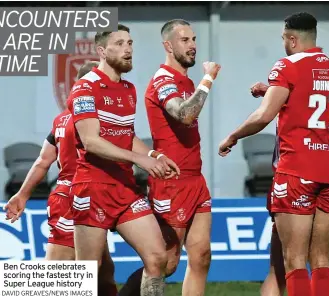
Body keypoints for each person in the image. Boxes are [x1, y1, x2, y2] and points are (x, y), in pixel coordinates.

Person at [219, 12, 329, 296]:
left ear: (291, 39)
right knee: (322, 261)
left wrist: (233, 135)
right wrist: (271, 90)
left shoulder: (287, 66)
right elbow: (313, 103)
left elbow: (264, 116)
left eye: (283, 39)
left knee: (293, 262)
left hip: (297, 170)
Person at [66, 24, 180, 296]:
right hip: (92, 189)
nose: (128, 48)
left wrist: (153, 154)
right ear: (102, 51)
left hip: (125, 188)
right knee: (89, 278)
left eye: (130, 43)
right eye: (120, 43)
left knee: (158, 259)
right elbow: (92, 141)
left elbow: (125, 135)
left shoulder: (128, 88)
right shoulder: (85, 87)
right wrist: (140, 161)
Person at [120, 19, 221, 296]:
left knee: (201, 256)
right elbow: (185, 114)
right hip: (172, 181)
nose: (192, 46)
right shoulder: (164, 80)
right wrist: (209, 78)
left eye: (193, 39)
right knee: (167, 262)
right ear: (168, 45)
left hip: (195, 180)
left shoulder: (185, 80)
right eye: (185, 40)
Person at [3, 61, 118, 296]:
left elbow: (43, 160)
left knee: (104, 274)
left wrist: (23, 194)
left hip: (89, 198)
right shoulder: (95, 120)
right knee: (58, 279)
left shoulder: (61, 120)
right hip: (75, 198)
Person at [251, 81, 329, 296]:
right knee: (310, 264)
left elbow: (314, 154)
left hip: (292, 183)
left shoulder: (297, 108)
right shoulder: (303, 111)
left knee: (282, 270)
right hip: (297, 187)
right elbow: (318, 158)